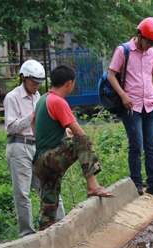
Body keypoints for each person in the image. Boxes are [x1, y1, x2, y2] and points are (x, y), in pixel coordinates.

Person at [32, 65, 114, 231]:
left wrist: (55, 139)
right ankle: (92, 185)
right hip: (49, 159)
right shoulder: (58, 101)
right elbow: (79, 133)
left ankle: (43, 236)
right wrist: (87, 149)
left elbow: (32, 124)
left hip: (39, 161)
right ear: (69, 83)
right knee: (82, 140)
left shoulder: (43, 99)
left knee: (49, 203)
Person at [107, 17, 153, 201]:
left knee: (152, 146)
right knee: (136, 145)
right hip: (131, 106)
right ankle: (136, 184)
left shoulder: (152, 54)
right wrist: (123, 95)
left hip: (150, 105)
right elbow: (111, 75)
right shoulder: (123, 51)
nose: (149, 46)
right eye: (148, 42)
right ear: (139, 36)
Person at [4, 59, 65, 237]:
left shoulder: (39, 98)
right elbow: (10, 127)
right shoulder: (12, 97)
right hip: (19, 146)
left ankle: (61, 226)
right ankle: (27, 235)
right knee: (22, 193)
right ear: (23, 77)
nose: (36, 86)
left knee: (48, 187)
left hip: (37, 146)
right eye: (33, 82)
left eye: (39, 82)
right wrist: (31, 117)